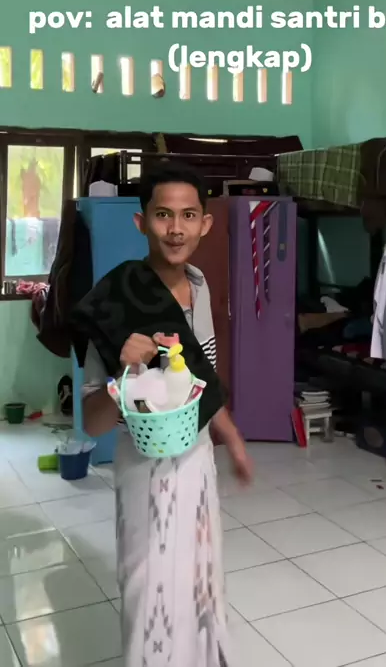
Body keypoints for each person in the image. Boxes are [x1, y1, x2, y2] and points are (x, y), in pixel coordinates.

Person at [70, 163, 253, 667]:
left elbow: (202, 384)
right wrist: (122, 374)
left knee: (200, 585)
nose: (176, 229)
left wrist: (233, 439)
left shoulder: (201, 287)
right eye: (163, 215)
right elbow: (94, 422)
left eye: (188, 215)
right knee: (147, 591)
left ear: (205, 224)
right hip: (143, 472)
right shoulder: (114, 301)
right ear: (141, 222)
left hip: (197, 463)